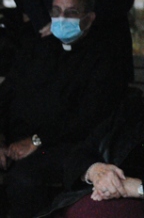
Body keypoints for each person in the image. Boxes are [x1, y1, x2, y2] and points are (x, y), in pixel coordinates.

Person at [0, 0, 128, 218]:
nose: (61, 18)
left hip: (61, 147)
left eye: (71, 12)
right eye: (56, 11)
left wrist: (37, 141)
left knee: (24, 179)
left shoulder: (103, 59)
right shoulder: (36, 48)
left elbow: (87, 116)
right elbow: (4, 93)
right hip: (12, 141)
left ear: (89, 18)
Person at [37, 87, 144, 217]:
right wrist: (95, 171)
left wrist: (139, 188)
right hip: (91, 196)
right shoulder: (131, 110)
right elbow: (80, 152)